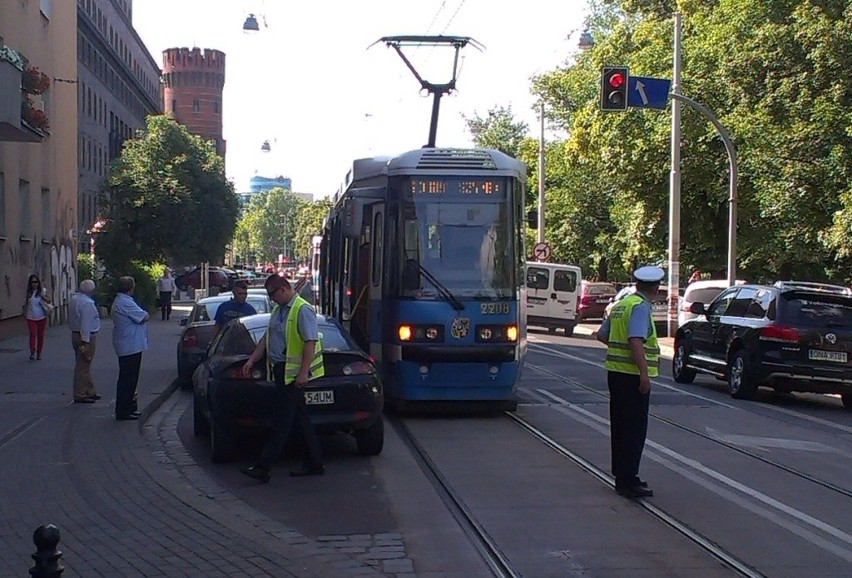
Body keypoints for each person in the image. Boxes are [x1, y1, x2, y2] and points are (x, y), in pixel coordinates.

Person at [240, 275, 325, 483]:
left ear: (283, 290)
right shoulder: (278, 311)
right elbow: (267, 338)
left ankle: (263, 467)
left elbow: (310, 342)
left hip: (293, 375)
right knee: (301, 420)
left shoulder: (302, 309)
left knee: (282, 422)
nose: (271, 299)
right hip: (282, 371)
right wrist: (252, 360)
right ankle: (315, 463)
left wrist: (304, 372)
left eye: (272, 294)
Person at [596, 265, 663, 499]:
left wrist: (619, 350)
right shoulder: (640, 307)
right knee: (634, 429)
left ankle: (623, 475)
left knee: (621, 427)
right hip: (632, 377)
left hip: (615, 373)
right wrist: (643, 373)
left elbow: (602, 335)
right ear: (654, 288)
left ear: (637, 285)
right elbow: (635, 340)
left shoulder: (620, 305)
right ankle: (629, 479)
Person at [111, 276, 150, 421]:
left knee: (130, 378)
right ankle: (124, 410)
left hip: (129, 343)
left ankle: (129, 407)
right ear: (130, 288)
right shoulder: (125, 302)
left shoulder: (122, 301)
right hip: (130, 345)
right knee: (128, 379)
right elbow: (144, 316)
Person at [68, 279, 101, 403]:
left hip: (75, 333)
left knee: (84, 363)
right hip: (85, 336)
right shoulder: (88, 304)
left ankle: (89, 390)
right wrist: (85, 342)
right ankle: (80, 393)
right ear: (92, 290)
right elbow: (85, 324)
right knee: (83, 365)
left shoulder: (75, 299)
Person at [23, 274, 52, 361]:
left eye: (35, 282)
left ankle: (39, 353)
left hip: (41, 317)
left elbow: (49, 300)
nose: (34, 284)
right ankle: (32, 351)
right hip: (31, 317)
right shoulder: (28, 292)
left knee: (40, 336)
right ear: (30, 283)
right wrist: (24, 313)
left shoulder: (42, 291)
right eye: (32, 282)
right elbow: (26, 303)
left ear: (38, 282)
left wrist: (43, 297)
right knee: (33, 334)